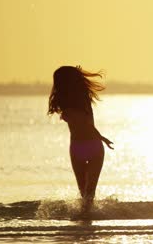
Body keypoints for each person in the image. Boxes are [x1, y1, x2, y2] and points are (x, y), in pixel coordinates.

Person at [47, 65, 113, 214]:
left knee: (85, 192)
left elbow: (85, 123)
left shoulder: (69, 102)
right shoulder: (79, 99)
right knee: (87, 192)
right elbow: (86, 122)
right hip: (92, 146)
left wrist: (101, 137)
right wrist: (101, 138)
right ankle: (86, 219)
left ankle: (85, 222)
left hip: (79, 147)